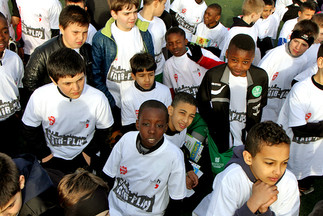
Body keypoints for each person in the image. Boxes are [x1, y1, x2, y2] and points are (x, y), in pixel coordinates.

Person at [22, 48, 114, 175]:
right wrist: (45, 155)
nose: (76, 88)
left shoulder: (98, 98)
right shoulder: (39, 96)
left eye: (80, 79)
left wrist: (87, 154)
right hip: (51, 159)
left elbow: (105, 131)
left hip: (83, 160)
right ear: (53, 80)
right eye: (68, 83)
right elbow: (29, 129)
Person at [193, 121, 300, 216]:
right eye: (269, 163)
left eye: (284, 162)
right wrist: (252, 205)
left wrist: (264, 211)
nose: (278, 171)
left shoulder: (289, 182)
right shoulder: (230, 178)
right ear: (248, 158)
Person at [103, 100, 186, 215]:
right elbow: (108, 176)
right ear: (137, 124)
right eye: (146, 124)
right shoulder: (126, 140)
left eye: (159, 125)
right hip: (115, 210)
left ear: (166, 127)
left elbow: (176, 200)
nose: (152, 130)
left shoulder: (174, 155)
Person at [197, 34, 268, 153]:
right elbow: (202, 102)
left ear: (252, 58)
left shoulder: (260, 77)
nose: (239, 66)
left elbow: (262, 103)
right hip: (220, 140)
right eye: (234, 60)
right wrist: (214, 126)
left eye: (245, 62)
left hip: (248, 142)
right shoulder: (213, 75)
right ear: (226, 54)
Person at [277, 44, 323, 195]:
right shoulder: (302, 90)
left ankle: (305, 184)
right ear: (320, 62)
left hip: (313, 155)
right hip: (292, 154)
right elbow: (299, 129)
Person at [91, 0, 154, 109]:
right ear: (114, 14)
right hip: (113, 103)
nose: (133, 17)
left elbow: (150, 66)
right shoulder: (101, 38)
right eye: (127, 13)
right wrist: (111, 102)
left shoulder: (144, 33)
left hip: (140, 101)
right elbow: (96, 75)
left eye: (135, 12)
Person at [23, 5, 93, 96]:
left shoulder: (88, 50)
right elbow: (29, 84)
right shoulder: (42, 53)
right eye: (75, 32)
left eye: (85, 32)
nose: (81, 37)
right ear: (62, 29)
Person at [258, 19, 319, 122]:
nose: (298, 47)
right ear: (291, 36)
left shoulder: (306, 62)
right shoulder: (274, 56)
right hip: (265, 115)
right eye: (296, 41)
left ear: (310, 45)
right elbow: (258, 82)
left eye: (304, 45)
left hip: (286, 117)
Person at [163, 27, 222, 98]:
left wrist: (202, 60)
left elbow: (222, 67)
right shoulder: (168, 65)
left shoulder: (200, 53)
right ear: (167, 46)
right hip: (184, 105)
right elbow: (170, 91)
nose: (175, 46)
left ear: (185, 41)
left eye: (178, 42)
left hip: (205, 102)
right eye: (170, 44)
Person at [120, 52, 172, 133]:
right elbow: (128, 126)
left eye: (151, 75)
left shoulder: (164, 91)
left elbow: (169, 120)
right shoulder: (127, 96)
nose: (147, 80)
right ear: (133, 76)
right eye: (142, 75)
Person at [0, 12, 24, 157]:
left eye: (5, 31)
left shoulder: (14, 59)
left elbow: (21, 88)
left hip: (11, 124)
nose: (2, 37)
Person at [219, 0, 264, 64]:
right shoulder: (234, 32)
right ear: (253, 15)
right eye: (259, 14)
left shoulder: (254, 27)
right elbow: (225, 53)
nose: (260, 17)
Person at [138, 0, 167, 83]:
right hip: (143, 75)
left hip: (159, 72)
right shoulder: (134, 22)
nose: (164, 7)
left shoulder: (161, 23)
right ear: (156, 3)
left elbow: (164, 47)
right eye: (163, 4)